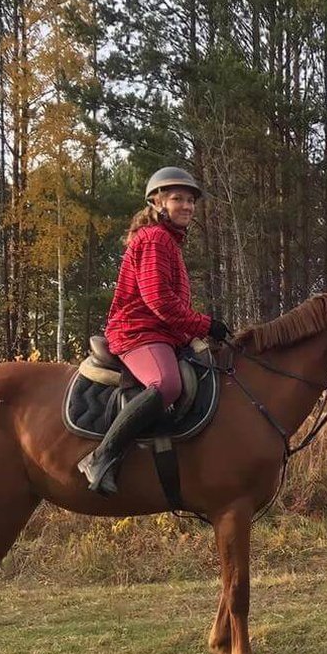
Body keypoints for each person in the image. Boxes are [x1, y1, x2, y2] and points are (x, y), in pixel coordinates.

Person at [77, 166, 232, 495]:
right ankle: (101, 456)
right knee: (167, 384)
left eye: (190, 201)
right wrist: (205, 324)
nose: (187, 206)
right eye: (178, 199)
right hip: (137, 331)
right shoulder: (155, 239)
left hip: (160, 332)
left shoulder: (168, 242)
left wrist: (195, 332)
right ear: (157, 202)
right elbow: (159, 301)